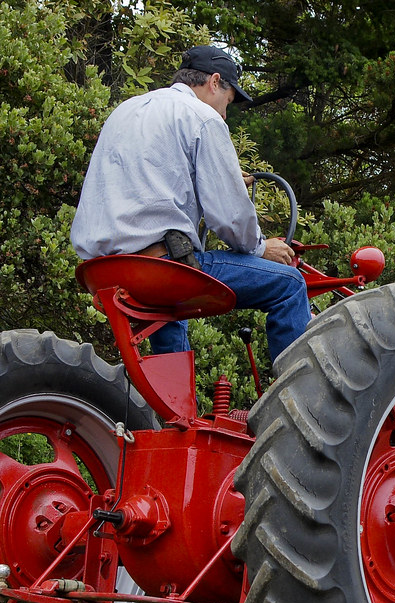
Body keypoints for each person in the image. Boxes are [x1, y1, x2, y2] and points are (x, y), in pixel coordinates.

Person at [71, 45, 311, 365]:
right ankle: (295, 406)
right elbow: (229, 217)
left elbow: (149, 184)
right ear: (214, 82)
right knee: (291, 285)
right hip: (158, 266)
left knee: (171, 311)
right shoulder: (203, 117)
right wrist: (260, 247)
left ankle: (176, 413)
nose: (224, 114)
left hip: (103, 270)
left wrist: (220, 177)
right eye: (227, 102)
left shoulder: (126, 110)